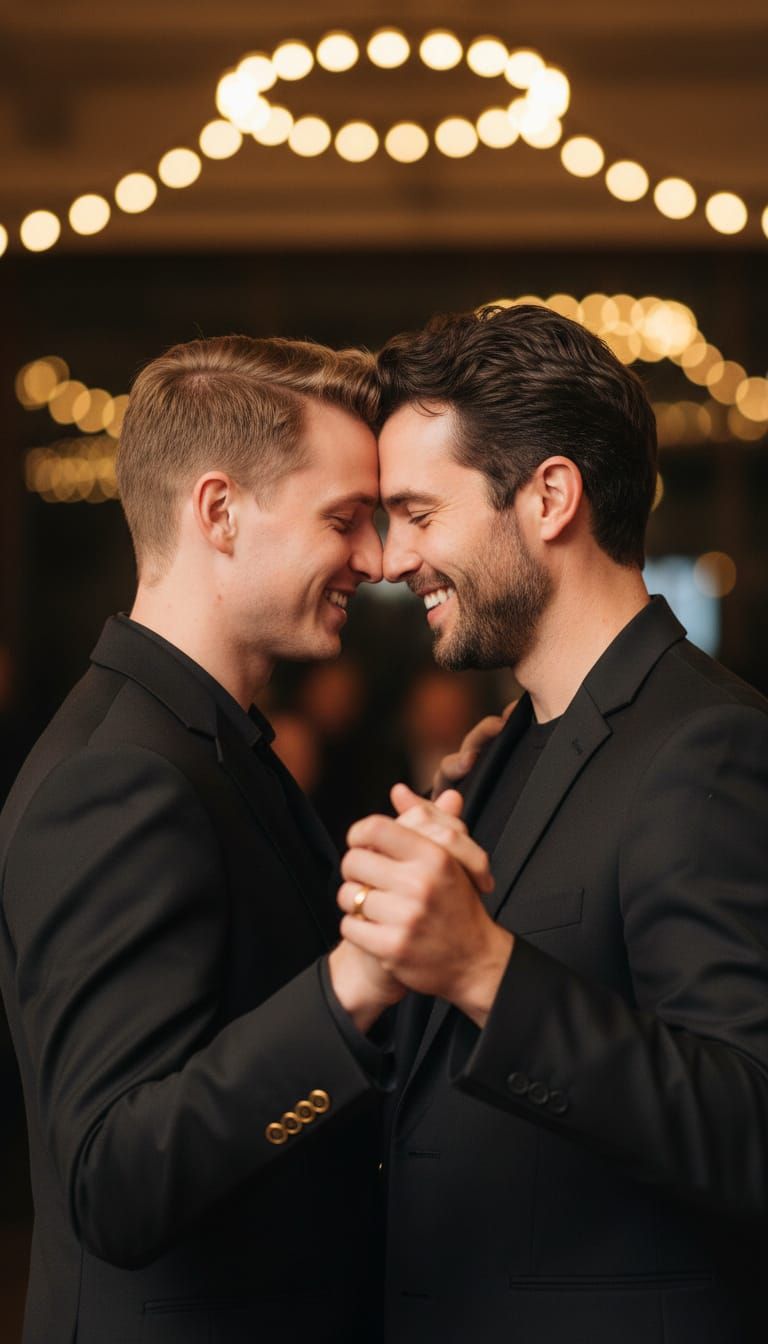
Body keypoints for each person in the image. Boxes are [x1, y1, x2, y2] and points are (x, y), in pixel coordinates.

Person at [0, 333, 468, 1344]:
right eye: (343, 520)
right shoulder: (121, 777)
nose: (377, 560)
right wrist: (351, 986)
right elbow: (113, 1180)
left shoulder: (206, 742)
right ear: (218, 512)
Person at [337, 304, 768, 1343]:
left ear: (550, 497)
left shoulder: (708, 745)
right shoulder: (506, 749)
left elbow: (749, 1125)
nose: (393, 559)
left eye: (419, 513)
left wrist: (484, 968)